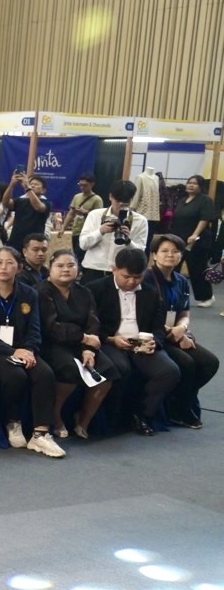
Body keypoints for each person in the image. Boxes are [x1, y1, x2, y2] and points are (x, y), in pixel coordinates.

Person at [0, 247, 65, 457]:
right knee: (15, 376)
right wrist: (12, 351)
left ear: (18, 268)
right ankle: (13, 421)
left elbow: (35, 329)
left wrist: (28, 350)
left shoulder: (29, 293)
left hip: (23, 348)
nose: (4, 267)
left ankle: (41, 434)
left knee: (45, 373)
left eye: (10, 263)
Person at [88, 247, 178, 437]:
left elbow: (158, 327)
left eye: (137, 277)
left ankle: (142, 414)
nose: (131, 282)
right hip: (110, 341)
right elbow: (90, 325)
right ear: (114, 269)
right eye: (126, 277)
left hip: (141, 343)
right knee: (121, 368)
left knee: (169, 371)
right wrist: (111, 339)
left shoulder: (151, 292)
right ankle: (112, 420)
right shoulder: (96, 289)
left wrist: (155, 342)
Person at [39, 249, 115, 440]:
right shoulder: (41, 291)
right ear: (50, 269)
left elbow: (93, 322)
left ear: (78, 269)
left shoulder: (84, 292)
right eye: (60, 266)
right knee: (69, 369)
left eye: (71, 265)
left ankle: (83, 420)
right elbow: (51, 327)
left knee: (108, 370)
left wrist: (89, 349)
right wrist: (83, 338)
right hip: (52, 343)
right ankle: (55, 416)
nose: (66, 269)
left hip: (83, 343)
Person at [146, 234, 217, 426]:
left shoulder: (181, 280)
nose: (170, 255)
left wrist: (182, 328)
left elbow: (185, 312)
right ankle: (181, 409)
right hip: (155, 334)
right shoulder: (146, 279)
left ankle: (179, 399)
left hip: (177, 332)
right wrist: (173, 333)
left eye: (176, 251)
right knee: (187, 363)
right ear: (154, 255)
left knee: (210, 362)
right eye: (164, 251)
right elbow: (144, 315)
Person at [78, 180, 147, 283]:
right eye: (118, 200)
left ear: (132, 199)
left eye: (125, 202)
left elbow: (140, 253)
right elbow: (83, 245)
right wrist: (100, 232)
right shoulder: (95, 215)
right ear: (110, 197)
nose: (121, 205)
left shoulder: (140, 221)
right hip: (93, 270)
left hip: (121, 273)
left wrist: (128, 241)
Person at [171, 175, 217, 307]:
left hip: (197, 241)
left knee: (197, 269)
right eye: (189, 183)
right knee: (173, 268)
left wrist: (195, 234)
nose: (191, 185)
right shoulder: (183, 200)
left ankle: (207, 296)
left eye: (194, 183)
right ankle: (172, 295)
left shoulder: (205, 200)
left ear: (201, 186)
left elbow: (205, 219)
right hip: (180, 240)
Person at [0, 172, 50, 251]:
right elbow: (5, 203)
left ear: (43, 190)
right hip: (16, 240)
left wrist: (28, 187)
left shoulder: (46, 203)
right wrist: (11, 185)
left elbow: (38, 207)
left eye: (36, 184)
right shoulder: (21, 200)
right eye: (31, 184)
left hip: (34, 243)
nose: (32, 186)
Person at [63, 173, 103, 257]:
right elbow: (71, 213)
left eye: (85, 185)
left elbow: (98, 217)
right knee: (76, 255)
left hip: (88, 232)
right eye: (80, 185)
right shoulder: (77, 197)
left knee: (81, 256)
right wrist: (63, 228)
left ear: (92, 184)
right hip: (76, 231)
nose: (82, 187)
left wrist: (85, 212)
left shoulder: (97, 199)